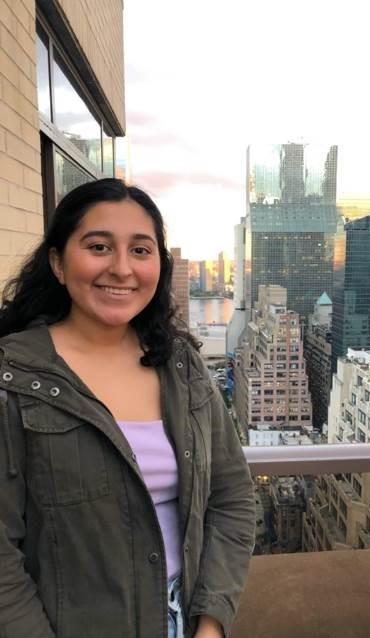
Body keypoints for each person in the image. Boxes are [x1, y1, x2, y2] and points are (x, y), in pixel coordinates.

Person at [0, 178, 256, 638]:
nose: (121, 268)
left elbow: (231, 497)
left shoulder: (182, 368)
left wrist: (211, 623)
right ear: (58, 262)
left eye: (141, 250)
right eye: (99, 247)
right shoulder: (13, 377)